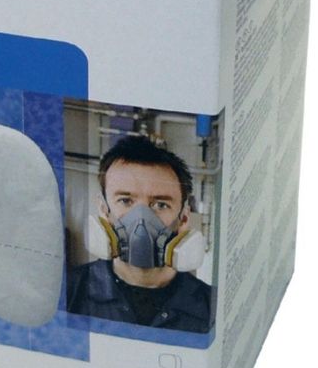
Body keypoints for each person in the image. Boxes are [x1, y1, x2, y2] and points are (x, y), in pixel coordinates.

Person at [67, 136, 214, 332]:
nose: (141, 220)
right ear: (103, 210)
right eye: (125, 201)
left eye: (160, 204)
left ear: (184, 217)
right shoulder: (65, 294)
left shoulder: (214, 310)